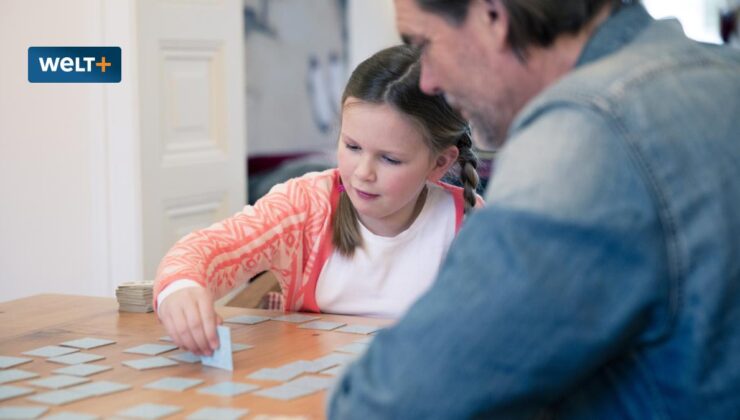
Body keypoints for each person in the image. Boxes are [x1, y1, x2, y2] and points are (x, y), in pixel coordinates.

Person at [329, 0, 740, 418]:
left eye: (424, 44)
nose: (429, 81)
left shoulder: (585, 133)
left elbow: (394, 402)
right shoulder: (723, 76)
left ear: (492, 16)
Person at [153, 45, 483, 357]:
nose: (363, 173)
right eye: (352, 147)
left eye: (390, 159)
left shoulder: (470, 223)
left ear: (440, 163)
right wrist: (180, 288)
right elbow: (209, 247)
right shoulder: (304, 205)